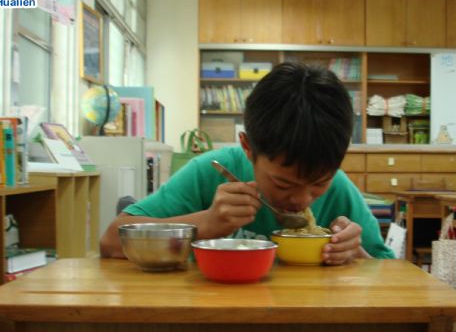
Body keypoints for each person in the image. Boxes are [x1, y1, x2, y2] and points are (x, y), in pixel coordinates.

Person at [100, 62, 395, 264]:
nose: (302, 200)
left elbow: (387, 271)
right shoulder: (209, 172)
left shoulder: (339, 188)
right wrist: (205, 223)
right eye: (283, 183)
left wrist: (354, 253)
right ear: (247, 148)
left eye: (319, 183)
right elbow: (112, 242)